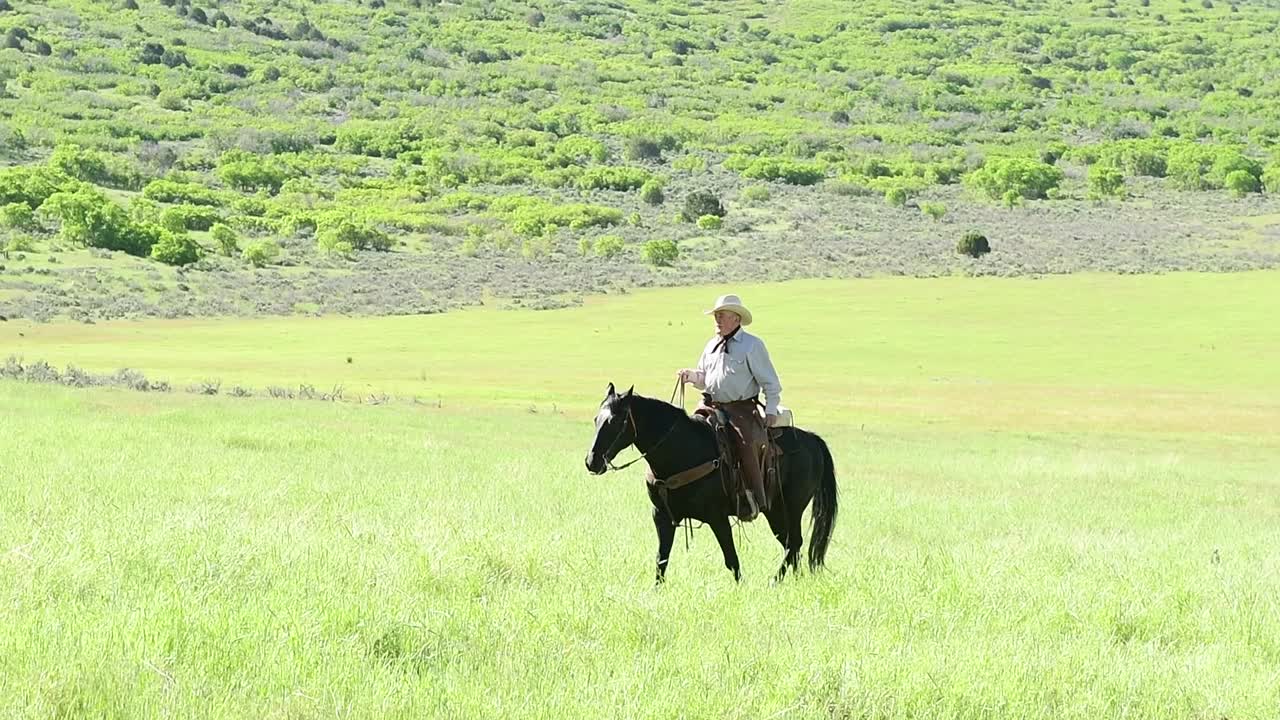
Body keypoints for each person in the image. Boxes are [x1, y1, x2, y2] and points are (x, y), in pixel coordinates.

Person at [676, 293, 782, 521]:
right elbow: (705, 378)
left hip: (740, 409)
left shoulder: (752, 346)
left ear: (736, 318)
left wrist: (771, 410)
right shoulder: (711, 345)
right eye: (715, 315)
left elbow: (770, 382)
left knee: (745, 443)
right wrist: (691, 376)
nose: (717, 320)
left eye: (721, 315)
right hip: (710, 405)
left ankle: (753, 498)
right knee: (690, 433)